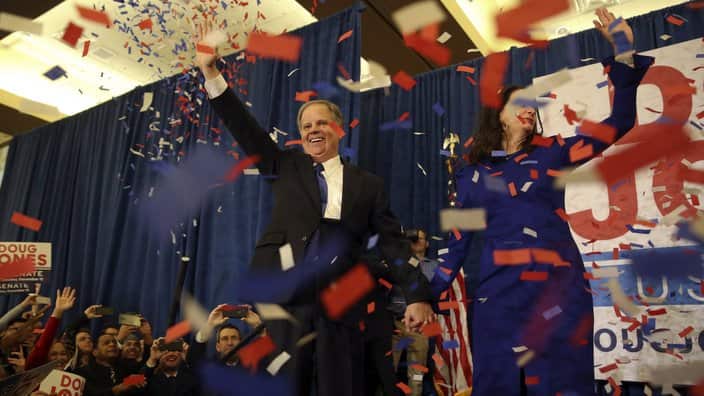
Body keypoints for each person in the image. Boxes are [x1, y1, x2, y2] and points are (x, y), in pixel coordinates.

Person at [194, 25, 435, 396]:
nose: (313, 130)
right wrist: (212, 74)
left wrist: (417, 296)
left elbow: (393, 244)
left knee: (340, 385)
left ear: (338, 129)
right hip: (290, 294)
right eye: (306, 126)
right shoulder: (285, 165)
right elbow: (244, 128)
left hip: (343, 300)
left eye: (321, 123)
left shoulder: (368, 184)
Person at [429, 8, 653, 395]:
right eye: (519, 104)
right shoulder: (470, 175)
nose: (530, 108)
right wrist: (422, 295)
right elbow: (456, 246)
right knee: (499, 384)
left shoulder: (555, 152)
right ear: (497, 116)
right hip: (497, 297)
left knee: (562, 383)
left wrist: (622, 52)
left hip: (558, 290)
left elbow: (619, 122)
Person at [390, 229, 438, 396]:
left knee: (417, 373)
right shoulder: (396, 262)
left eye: (420, 238)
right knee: (388, 370)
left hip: (419, 326)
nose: (416, 241)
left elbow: (431, 288)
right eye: (413, 238)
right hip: (395, 322)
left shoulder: (433, 265)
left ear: (427, 243)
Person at [74, 333, 145, 396]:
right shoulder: (82, 373)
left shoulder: (127, 368)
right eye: (106, 343)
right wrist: (116, 389)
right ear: (95, 352)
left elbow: (143, 382)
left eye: (114, 342)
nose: (112, 344)